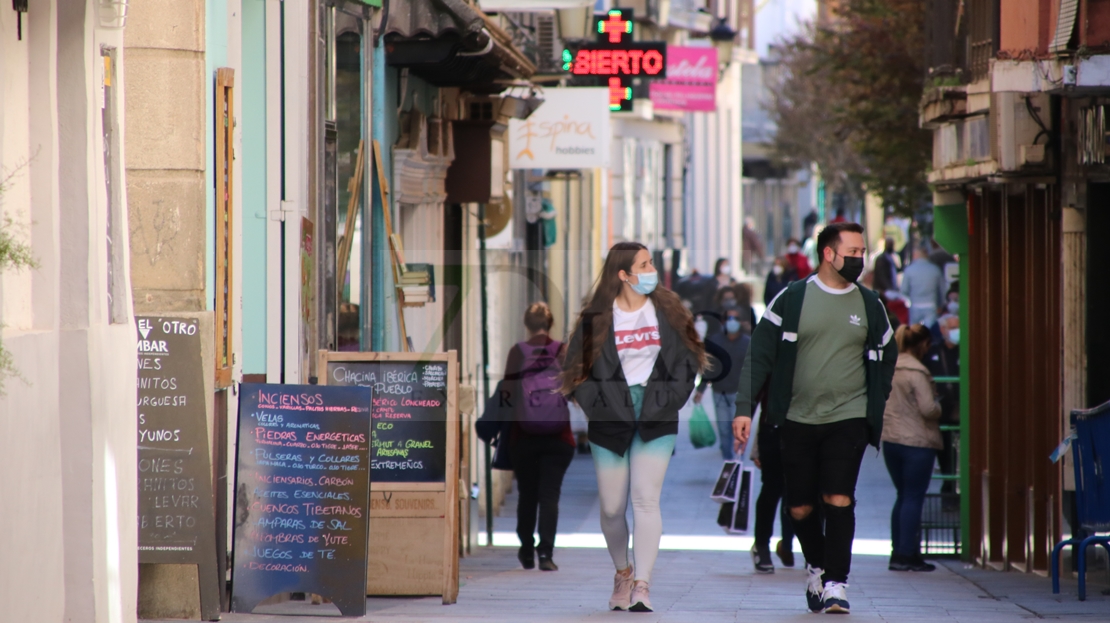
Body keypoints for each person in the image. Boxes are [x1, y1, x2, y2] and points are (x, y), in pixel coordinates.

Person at [734, 222, 897, 614]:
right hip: (796, 419)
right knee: (800, 508)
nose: (860, 260)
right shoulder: (791, 299)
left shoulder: (870, 304)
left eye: (863, 253)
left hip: (849, 416)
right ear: (828, 253)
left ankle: (837, 584)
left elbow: (888, 353)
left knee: (838, 498)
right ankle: (818, 567)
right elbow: (759, 355)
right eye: (853, 253)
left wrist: (875, 398)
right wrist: (743, 408)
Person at [560, 242, 715, 612]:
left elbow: (689, 358)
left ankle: (643, 585)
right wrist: (597, 407)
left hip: (656, 414)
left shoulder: (668, 309)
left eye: (651, 263)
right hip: (609, 417)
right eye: (643, 265)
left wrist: (671, 397)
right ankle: (623, 571)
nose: (651, 271)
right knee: (612, 508)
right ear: (623, 275)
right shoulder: (595, 318)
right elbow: (575, 371)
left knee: (645, 499)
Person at [501, 302, 576, 571]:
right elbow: (573, 389)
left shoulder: (517, 352)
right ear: (551, 323)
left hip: (524, 436)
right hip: (559, 437)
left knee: (527, 495)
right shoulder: (562, 351)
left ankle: (525, 549)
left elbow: (506, 394)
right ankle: (546, 554)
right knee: (550, 496)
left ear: (526, 324)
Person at [882, 324, 942, 573]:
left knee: (902, 495)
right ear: (922, 345)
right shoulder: (917, 372)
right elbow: (928, 408)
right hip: (917, 441)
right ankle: (908, 554)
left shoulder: (890, 368)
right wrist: (941, 407)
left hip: (891, 440)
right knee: (913, 497)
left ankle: (898, 551)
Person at [694, 306, 752, 461]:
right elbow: (709, 367)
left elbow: (752, 370)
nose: (732, 322)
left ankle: (738, 459)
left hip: (740, 394)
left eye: (736, 318)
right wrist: (700, 390)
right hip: (720, 392)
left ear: (741, 322)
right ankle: (728, 460)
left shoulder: (747, 343)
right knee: (724, 429)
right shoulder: (715, 341)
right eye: (729, 318)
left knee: (738, 429)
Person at [749, 392, 797, 574]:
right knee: (772, 488)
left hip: (807, 427)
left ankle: (798, 546)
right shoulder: (773, 363)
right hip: (773, 429)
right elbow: (756, 392)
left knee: (802, 490)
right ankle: (761, 545)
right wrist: (755, 446)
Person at [925, 312, 960, 500]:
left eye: (958, 327)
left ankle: (960, 495)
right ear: (943, 329)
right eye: (953, 327)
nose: (956, 332)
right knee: (946, 455)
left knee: (961, 458)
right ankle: (949, 495)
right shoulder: (933, 352)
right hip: (941, 414)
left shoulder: (966, 351)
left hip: (963, 413)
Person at [900, 245, 946, 327]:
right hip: (931, 305)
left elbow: (904, 290)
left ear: (915, 255)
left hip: (915, 305)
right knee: (929, 332)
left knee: (914, 332)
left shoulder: (909, 270)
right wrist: (941, 305)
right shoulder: (935, 269)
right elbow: (942, 290)